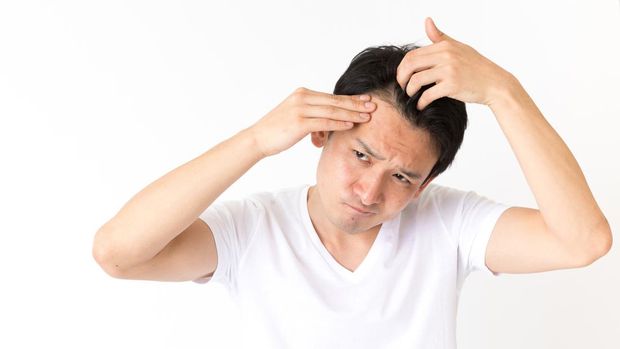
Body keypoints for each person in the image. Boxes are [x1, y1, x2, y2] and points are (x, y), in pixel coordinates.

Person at [92, 17, 612, 348]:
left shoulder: (449, 225)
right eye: (361, 155)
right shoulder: (253, 230)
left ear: (424, 185)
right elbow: (118, 254)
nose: (369, 192)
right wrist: (254, 140)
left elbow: (583, 241)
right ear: (323, 132)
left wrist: (505, 92)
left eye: (402, 176)